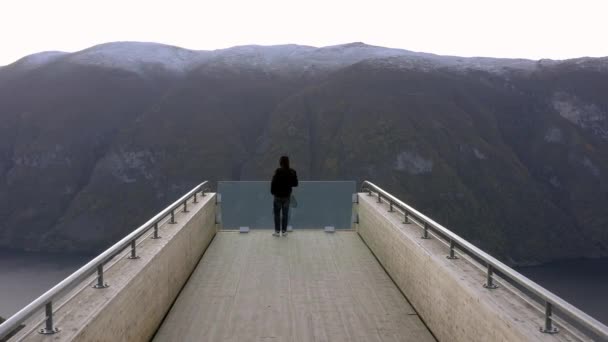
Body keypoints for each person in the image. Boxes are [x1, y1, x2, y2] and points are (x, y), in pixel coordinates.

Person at [270, 156, 298, 236]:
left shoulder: (277, 171)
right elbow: (295, 184)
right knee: (285, 214)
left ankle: (277, 231)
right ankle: (284, 231)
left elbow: (273, 182)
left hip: (277, 195)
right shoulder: (292, 172)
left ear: (280, 162)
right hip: (287, 196)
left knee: (277, 214)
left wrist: (272, 192)